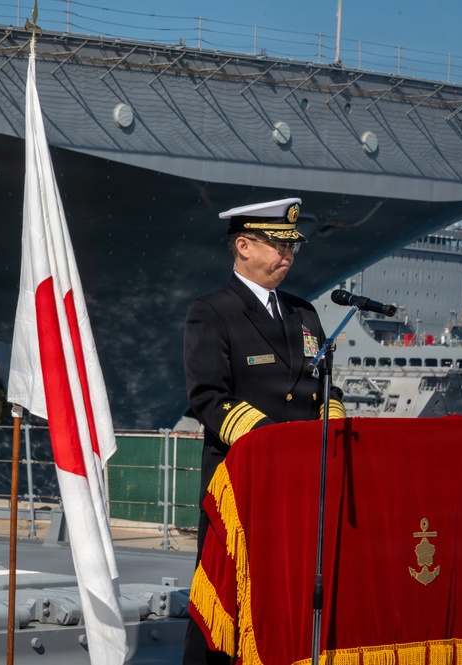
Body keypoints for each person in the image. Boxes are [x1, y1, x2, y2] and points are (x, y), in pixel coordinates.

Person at [181, 197, 343, 663]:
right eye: (277, 244)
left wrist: (334, 429)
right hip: (241, 476)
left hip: (299, 481)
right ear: (244, 246)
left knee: (283, 589)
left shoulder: (304, 313)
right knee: (222, 592)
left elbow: (322, 389)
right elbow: (209, 397)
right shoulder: (212, 312)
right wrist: (273, 441)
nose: (287, 255)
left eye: (292, 246)